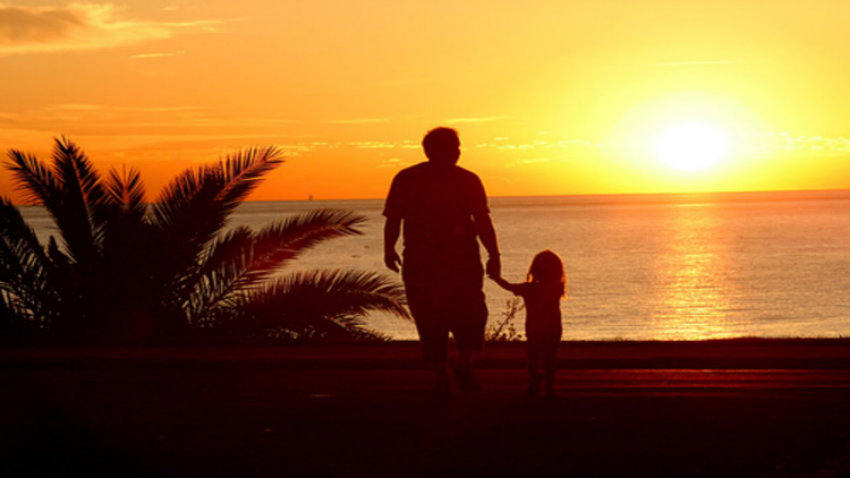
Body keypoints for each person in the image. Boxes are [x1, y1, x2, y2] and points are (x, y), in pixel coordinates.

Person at [383, 127, 501, 397]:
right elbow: (394, 218)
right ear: (432, 151)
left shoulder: (467, 180)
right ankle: (441, 374)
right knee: (429, 318)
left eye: (458, 147)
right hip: (426, 261)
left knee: (470, 315)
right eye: (453, 148)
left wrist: (494, 255)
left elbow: (482, 220)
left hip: (461, 261)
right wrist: (388, 249)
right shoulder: (408, 179)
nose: (458, 152)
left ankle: (463, 364)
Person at [493, 250, 566, 397]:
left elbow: (509, 286)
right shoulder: (557, 288)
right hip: (553, 327)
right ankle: (549, 387)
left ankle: (535, 381)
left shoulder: (528, 288)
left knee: (533, 355)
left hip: (534, 327)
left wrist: (496, 278)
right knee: (550, 356)